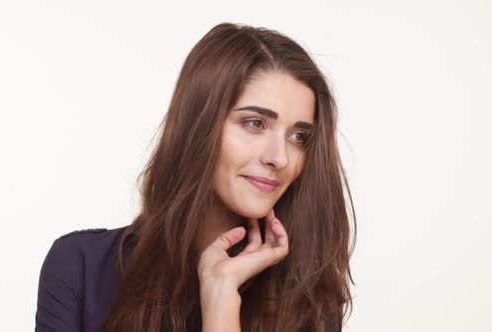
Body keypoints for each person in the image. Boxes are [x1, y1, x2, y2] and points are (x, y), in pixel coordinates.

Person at [35, 22, 356, 332]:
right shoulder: (81, 268)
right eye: (255, 123)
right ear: (198, 126)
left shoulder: (309, 298)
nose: (279, 158)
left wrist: (221, 298)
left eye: (299, 136)